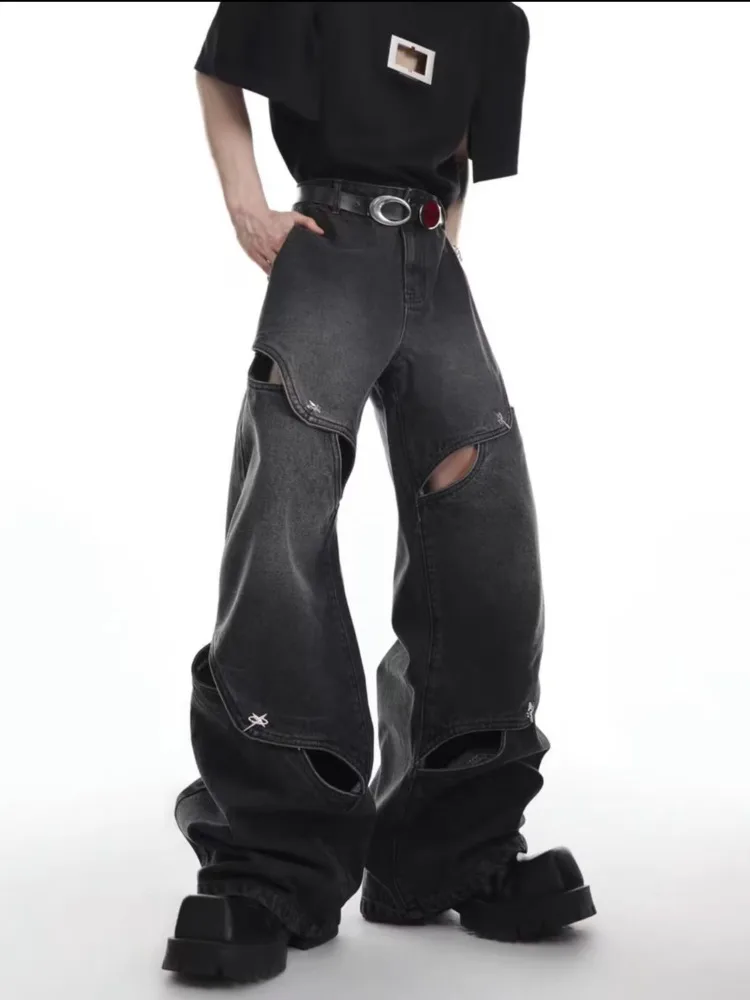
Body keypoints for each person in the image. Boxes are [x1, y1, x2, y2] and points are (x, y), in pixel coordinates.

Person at [162, 1, 596, 984]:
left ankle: (452, 850)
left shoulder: (496, 23)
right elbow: (220, 66)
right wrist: (248, 207)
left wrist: (444, 255)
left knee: (487, 517)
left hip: (434, 265)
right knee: (286, 507)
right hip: (329, 242)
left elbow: (462, 161)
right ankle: (272, 865)